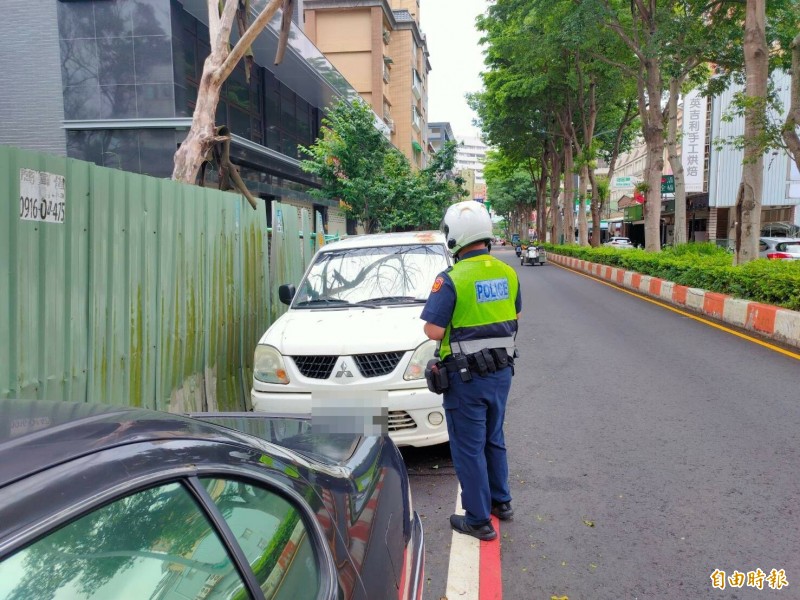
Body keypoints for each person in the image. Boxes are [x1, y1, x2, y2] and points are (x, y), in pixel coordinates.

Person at [421, 201, 521, 541]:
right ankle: (501, 502)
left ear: (455, 237)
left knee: (468, 447)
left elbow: (433, 331)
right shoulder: (507, 272)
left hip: (465, 379)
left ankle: (478, 519)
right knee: (494, 438)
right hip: (501, 373)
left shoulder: (451, 278)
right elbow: (515, 317)